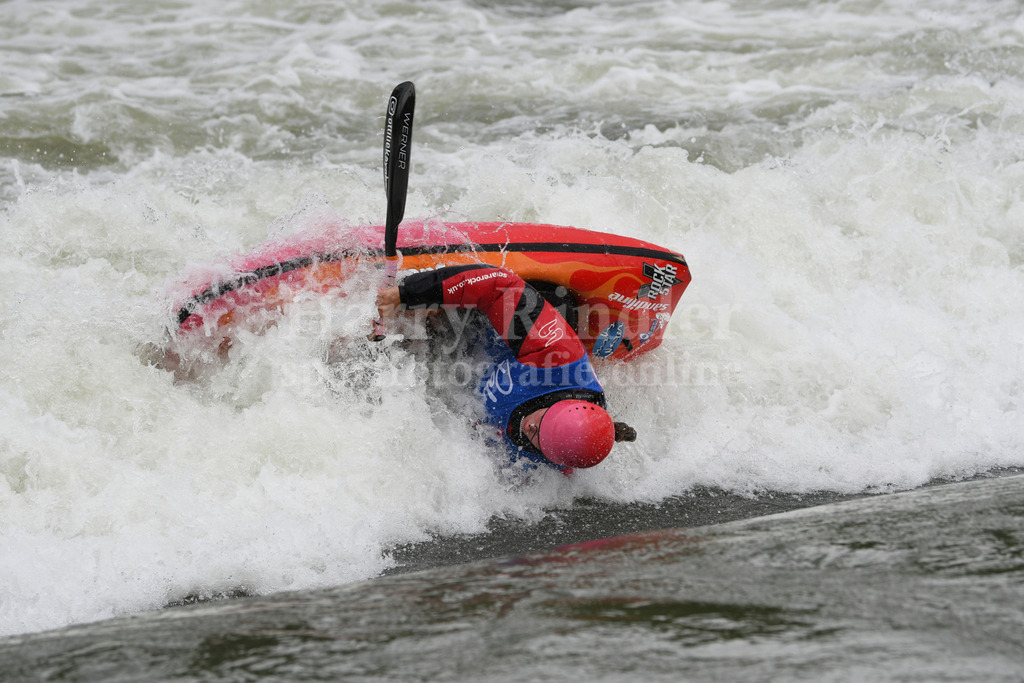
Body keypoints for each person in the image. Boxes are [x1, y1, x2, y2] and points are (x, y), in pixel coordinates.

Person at [376, 264, 635, 475]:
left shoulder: (556, 460)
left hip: (466, 377)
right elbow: (498, 285)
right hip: (486, 327)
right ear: (560, 403)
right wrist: (408, 294)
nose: (531, 429)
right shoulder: (556, 358)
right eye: (541, 423)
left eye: (539, 441)